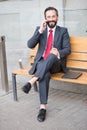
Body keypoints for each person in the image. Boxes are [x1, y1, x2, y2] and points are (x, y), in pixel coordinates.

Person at [22, 6, 71, 122]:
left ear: (57, 17)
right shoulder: (40, 30)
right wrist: (40, 32)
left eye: (53, 16)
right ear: (45, 19)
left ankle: (32, 81)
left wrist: (58, 52)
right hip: (41, 63)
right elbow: (30, 45)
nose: (51, 19)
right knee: (45, 74)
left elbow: (68, 49)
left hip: (55, 63)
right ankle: (42, 108)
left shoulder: (63, 31)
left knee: (52, 54)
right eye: (48, 17)